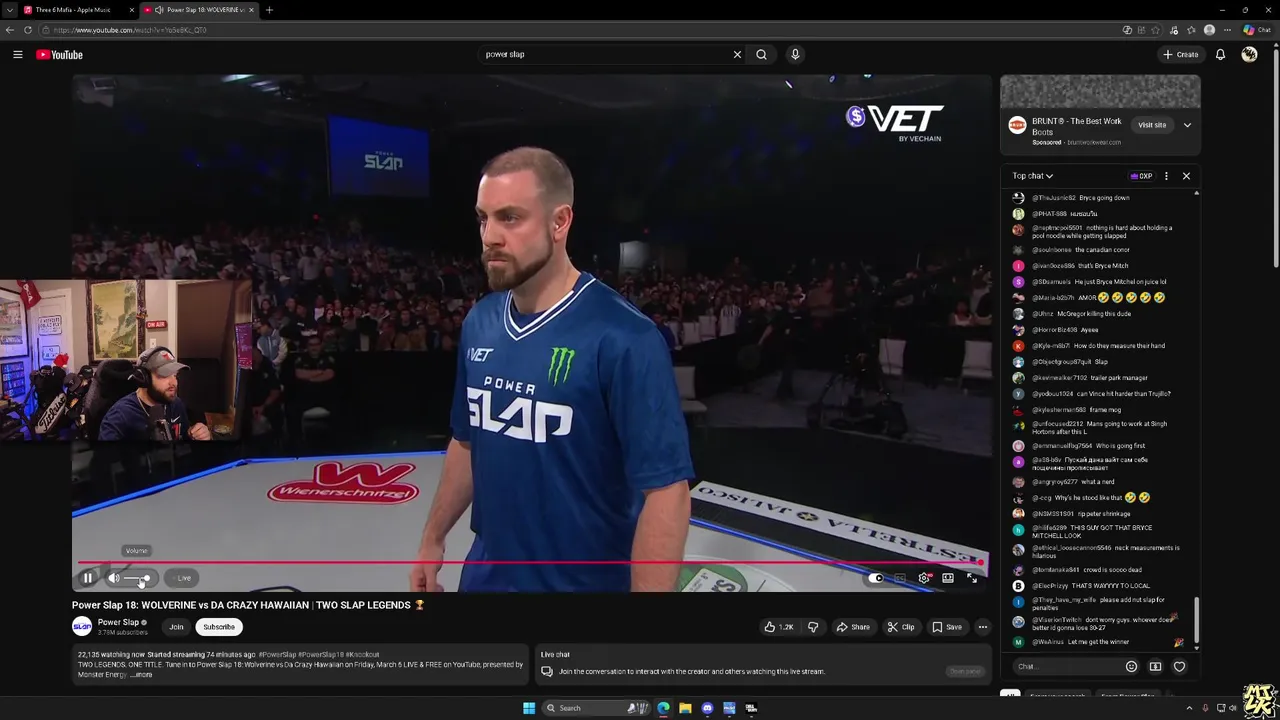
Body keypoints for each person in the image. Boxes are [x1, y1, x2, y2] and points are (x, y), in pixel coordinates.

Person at [410, 147, 694, 593]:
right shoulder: (481, 321)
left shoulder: (625, 337)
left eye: (510, 218)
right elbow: (467, 442)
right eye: (483, 218)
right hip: (486, 577)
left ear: (559, 222)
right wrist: (433, 537)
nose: (490, 236)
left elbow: (666, 492)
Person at [98, 348, 212, 441]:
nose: (174, 383)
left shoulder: (176, 404)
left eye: (175, 375)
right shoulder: (119, 416)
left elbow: (184, 438)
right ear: (143, 378)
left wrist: (197, 435)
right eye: (164, 375)